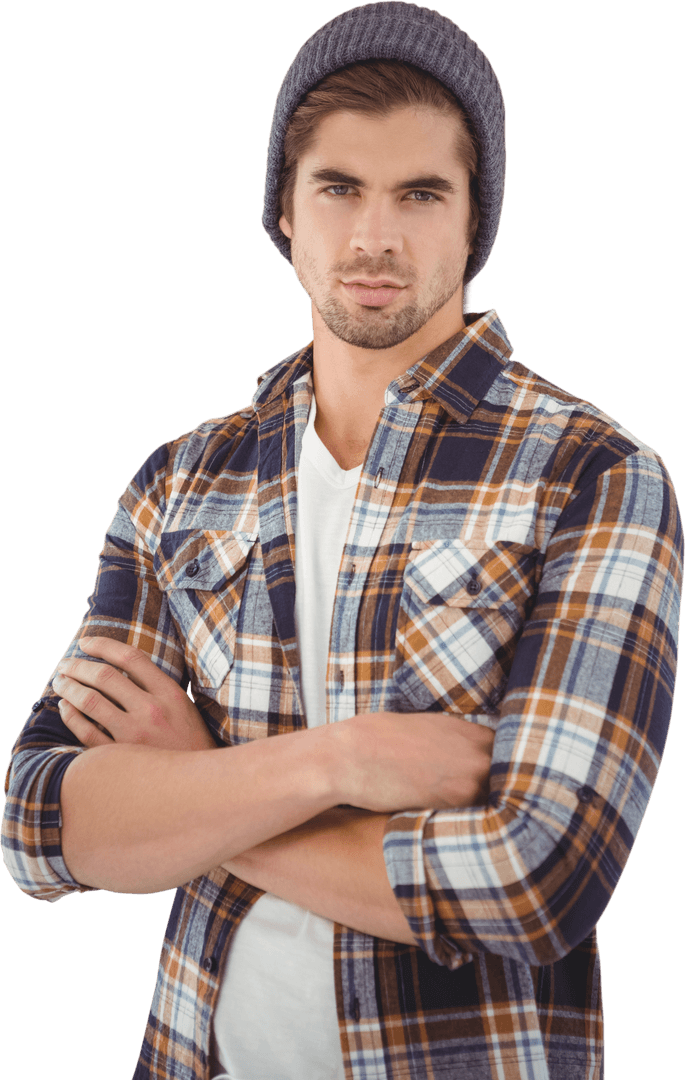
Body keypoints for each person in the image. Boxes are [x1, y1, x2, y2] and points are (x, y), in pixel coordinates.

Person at [2, 3, 683, 1079]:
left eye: (420, 194)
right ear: (283, 208)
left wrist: (206, 794)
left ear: (475, 221)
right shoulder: (180, 482)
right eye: (338, 187)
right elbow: (42, 826)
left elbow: (536, 879)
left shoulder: (592, 474)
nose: (374, 236)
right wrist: (339, 761)